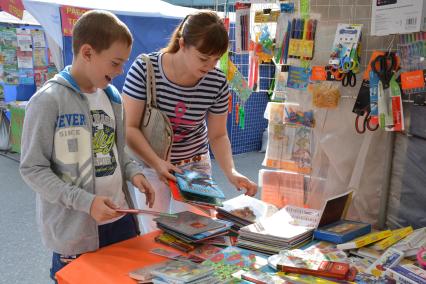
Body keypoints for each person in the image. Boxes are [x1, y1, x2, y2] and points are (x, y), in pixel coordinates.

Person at [19, 10, 155, 282]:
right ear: (88, 52)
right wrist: (86, 202)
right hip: (75, 232)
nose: (120, 72)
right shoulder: (48, 100)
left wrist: (134, 172)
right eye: (115, 63)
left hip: (120, 221)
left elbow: (117, 150)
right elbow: (33, 169)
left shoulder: (112, 96)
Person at [122, 10, 257, 234]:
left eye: (216, 59)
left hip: (194, 166)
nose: (210, 66)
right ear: (182, 44)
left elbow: (218, 135)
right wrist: (156, 162)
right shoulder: (146, 69)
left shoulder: (216, 81)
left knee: (199, 232)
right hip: (150, 164)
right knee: (154, 234)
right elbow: (130, 128)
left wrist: (231, 172)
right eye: (204, 58)